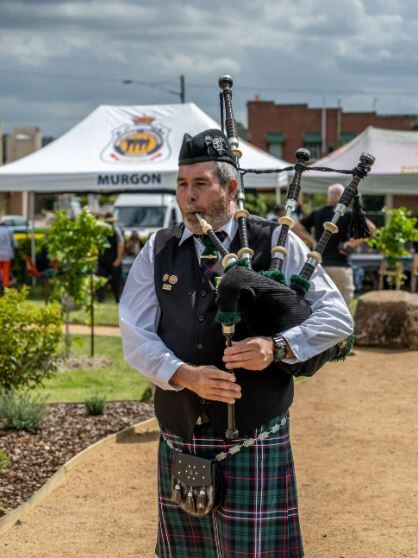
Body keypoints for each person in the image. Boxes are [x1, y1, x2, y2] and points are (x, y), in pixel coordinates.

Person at [119, 129, 353, 557]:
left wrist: (277, 347)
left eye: (200, 184)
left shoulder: (275, 242)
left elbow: (337, 318)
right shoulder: (160, 248)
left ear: (230, 187)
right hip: (181, 438)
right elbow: (134, 332)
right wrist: (183, 374)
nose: (188, 197)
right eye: (182, 184)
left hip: (254, 438)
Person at [293, 184, 375, 309]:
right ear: (343, 196)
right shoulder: (348, 213)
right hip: (341, 266)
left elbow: (295, 226)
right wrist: (352, 243)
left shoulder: (317, 212)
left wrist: (313, 241)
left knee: (319, 305)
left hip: (319, 266)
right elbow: (371, 228)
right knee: (343, 305)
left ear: (328, 196)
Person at [96, 212, 124, 303]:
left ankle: (118, 300)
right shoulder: (100, 232)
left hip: (114, 260)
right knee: (101, 281)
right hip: (102, 261)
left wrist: (118, 259)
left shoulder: (116, 231)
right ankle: (100, 299)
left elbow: (120, 244)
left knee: (116, 281)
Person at [0, 221, 16, 290]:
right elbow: (15, 244)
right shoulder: (9, 231)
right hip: (7, 254)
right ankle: (5, 288)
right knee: (6, 271)